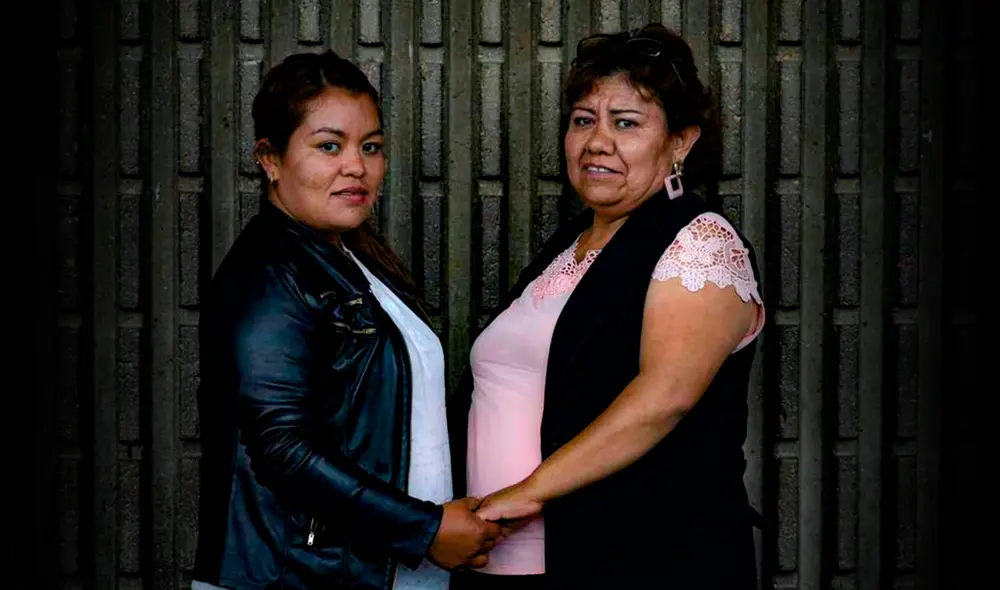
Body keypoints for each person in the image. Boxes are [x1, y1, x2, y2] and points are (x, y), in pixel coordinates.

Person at [449, 23, 766, 589]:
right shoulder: (568, 246)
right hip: (512, 558)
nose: (597, 142)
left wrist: (521, 496)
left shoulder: (699, 241)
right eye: (583, 120)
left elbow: (662, 399)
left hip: (641, 557)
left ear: (681, 141)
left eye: (626, 123)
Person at [191, 50, 502, 590]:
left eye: (371, 147)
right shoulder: (270, 274)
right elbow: (284, 449)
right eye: (328, 146)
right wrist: (424, 529)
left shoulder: (351, 258)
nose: (355, 166)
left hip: (375, 570)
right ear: (270, 158)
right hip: (302, 576)